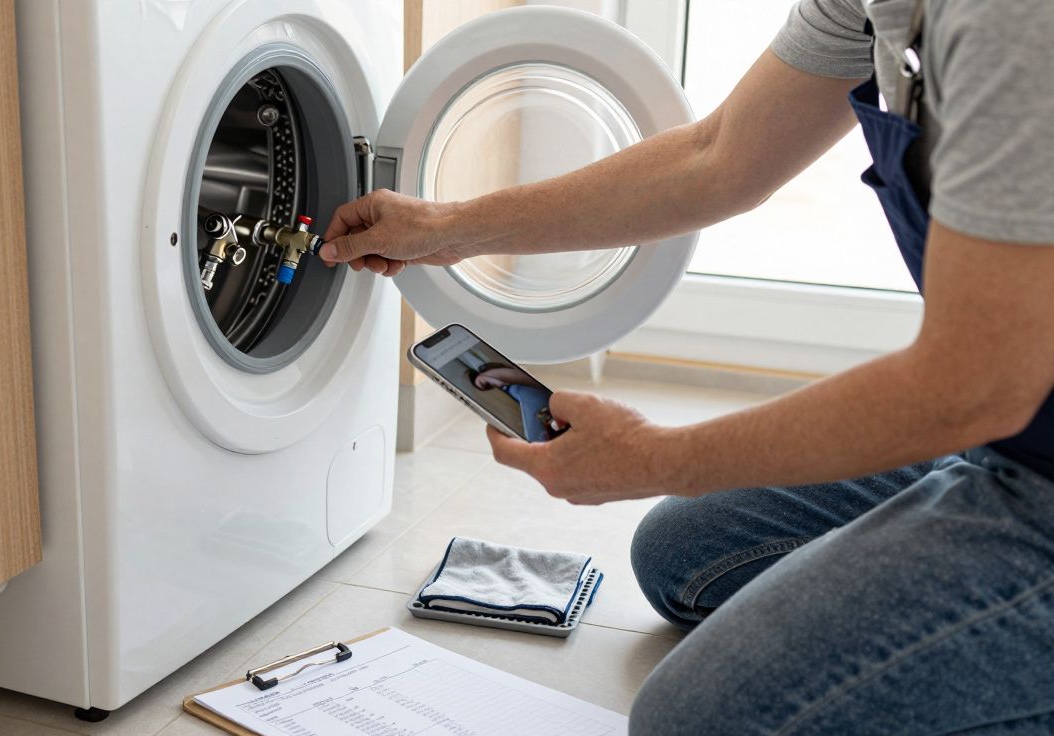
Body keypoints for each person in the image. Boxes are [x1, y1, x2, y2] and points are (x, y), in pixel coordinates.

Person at [320, 0, 1054, 732]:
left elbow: (972, 384)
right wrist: (449, 228)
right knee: (685, 555)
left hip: (1020, 442)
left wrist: (658, 457)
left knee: (691, 721)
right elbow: (719, 155)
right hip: (1012, 433)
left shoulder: (1011, 24)